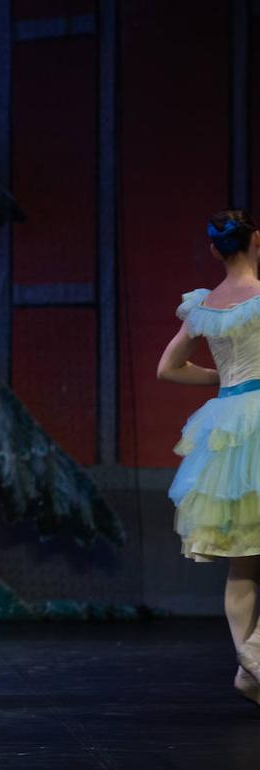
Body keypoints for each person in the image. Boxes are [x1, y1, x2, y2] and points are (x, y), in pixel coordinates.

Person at [157, 209, 260, 706]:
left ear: (216, 251)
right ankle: (253, 660)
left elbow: (168, 368)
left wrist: (225, 379)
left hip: (227, 421)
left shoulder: (205, 305)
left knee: (243, 564)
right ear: (257, 241)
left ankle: (248, 664)